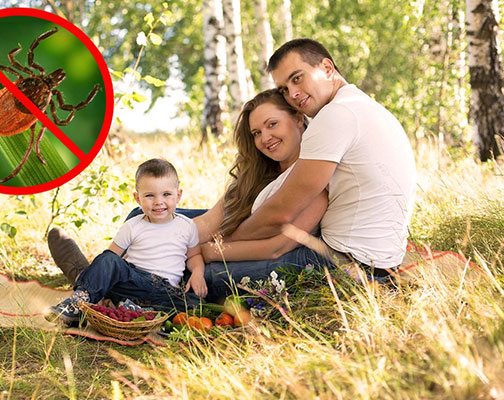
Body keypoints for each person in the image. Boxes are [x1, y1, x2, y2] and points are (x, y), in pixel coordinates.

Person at [48, 89, 332, 302]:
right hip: (231, 239)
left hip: (268, 255)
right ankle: (108, 277)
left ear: (298, 119)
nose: (264, 138)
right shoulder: (259, 172)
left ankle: (92, 280)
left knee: (198, 275)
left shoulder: (314, 173)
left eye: (272, 124)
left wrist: (204, 251)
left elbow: (277, 246)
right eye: (256, 132)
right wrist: (171, 238)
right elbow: (211, 222)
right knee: (142, 216)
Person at [227, 39, 417, 278]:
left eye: (297, 78)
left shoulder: (336, 114)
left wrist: (223, 243)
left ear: (327, 68)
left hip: (345, 264)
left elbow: (281, 212)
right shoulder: (362, 106)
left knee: (211, 274)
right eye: (284, 89)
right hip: (379, 263)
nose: (293, 94)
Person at [46, 158, 206, 326]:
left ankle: (131, 308)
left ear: (178, 195)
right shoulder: (133, 226)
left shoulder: (187, 225)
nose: (159, 201)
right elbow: (110, 258)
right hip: (133, 280)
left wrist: (197, 273)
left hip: (164, 290)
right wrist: (108, 273)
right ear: (137, 198)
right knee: (108, 260)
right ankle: (78, 303)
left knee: (195, 305)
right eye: (150, 195)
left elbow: (194, 255)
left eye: (166, 194)